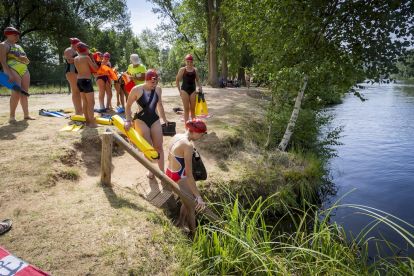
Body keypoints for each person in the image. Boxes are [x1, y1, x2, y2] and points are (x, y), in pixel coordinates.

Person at [124, 69, 168, 179]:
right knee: (148, 148)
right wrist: (128, 120)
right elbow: (128, 105)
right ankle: (151, 170)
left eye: (156, 82)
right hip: (141, 121)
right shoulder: (136, 90)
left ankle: (162, 171)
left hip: (155, 119)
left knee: (158, 146)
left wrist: (165, 119)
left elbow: (160, 105)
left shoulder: (158, 90)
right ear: (146, 80)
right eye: (152, 82)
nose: (155, 84)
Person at [166, 118, 207, 237]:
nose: (201, 137)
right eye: (201, 135)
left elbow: (170, 158)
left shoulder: (177, 136)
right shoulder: (188, 145)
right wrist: (198, 197)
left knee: (187, 199)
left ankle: (180, 223)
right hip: (179, 175)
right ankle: (193, 236)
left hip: (170, 171)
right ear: (196, 132)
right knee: (192, 207)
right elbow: (189, 175)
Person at [0, 27, 35, 121]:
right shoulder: (3, 45)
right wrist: (9, 74)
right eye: (15, 35)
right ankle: (12, 116)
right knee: (16, 93)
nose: (17, 37)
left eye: (18, 35)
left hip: (24, 69)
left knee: (25, 93)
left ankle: (26, 114)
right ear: (7, 34)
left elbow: (27, 61)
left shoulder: (19, 47)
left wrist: (25, 59)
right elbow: (2, 61)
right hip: (12, 69)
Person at [73, 42, 99, 127]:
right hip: (86, 81)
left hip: (79, 81)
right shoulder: (86, 57)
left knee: (85, 102)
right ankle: (92, 123)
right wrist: (92, 58)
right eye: (88, 48)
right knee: (91, 102)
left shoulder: (76, 58)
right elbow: (95, 69)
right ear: (85, 49)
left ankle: (87, 122)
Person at [176, 54, 202, 123]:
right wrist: (179, 91)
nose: (189, 63)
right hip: (184, 90)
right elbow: (177, 79)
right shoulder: (183, 70)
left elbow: (197, 80)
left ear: (192, 62)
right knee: (186, 109)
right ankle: (186, 127)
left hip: (193, 90)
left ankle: (194, 125)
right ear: (186, 62)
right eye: (188, 62)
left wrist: (200, 87)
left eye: (191, 62)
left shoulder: (195, 70)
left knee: (193, 109)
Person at [64, 38, 83, 115]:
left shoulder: (76, 51)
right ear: (75, 44)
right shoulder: (69, 50)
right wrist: (80, 58)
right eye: (78, 44)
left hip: (77, 72)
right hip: (71, 71)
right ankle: (77, 111)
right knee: (75, 91)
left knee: (79, 91)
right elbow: (69, 60)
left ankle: (80, 110)